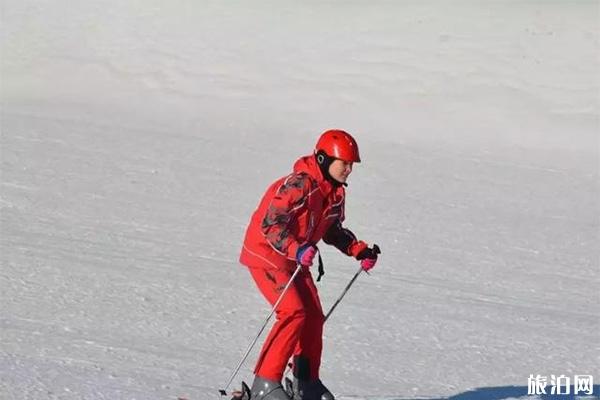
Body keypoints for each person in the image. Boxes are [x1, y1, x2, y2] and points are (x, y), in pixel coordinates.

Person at [239, 129, 380, 400]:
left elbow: (332, 230)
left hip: (295, 258)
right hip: (266, 253)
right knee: (293, 312)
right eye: (345, 163)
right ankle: (264, 385)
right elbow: (270, 223)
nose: (349, 170)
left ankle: (306, 381)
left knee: (313, 316)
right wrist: (296, 248)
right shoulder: (299, 184)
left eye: (352, 165)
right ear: (325, 159)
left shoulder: (336, 193)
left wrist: (358, 250)